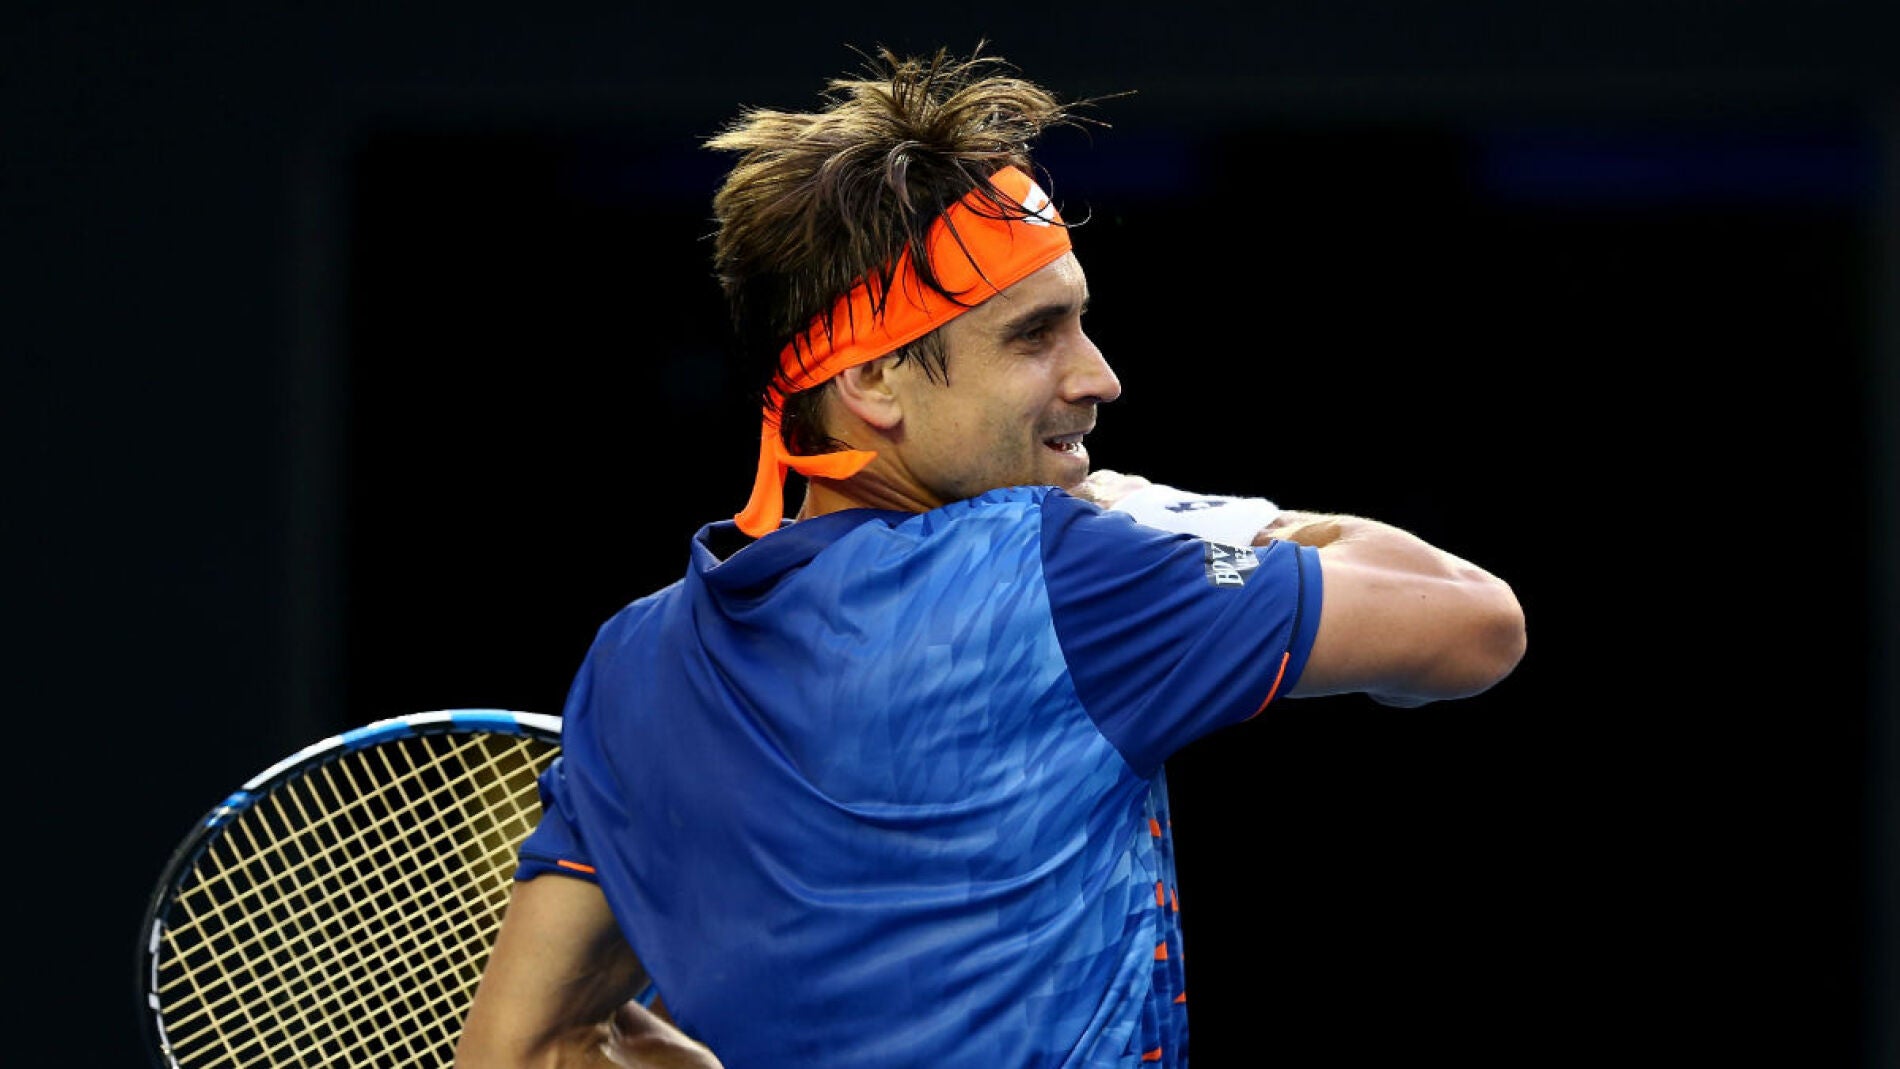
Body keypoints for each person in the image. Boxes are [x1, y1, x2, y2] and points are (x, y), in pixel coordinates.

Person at [454, 42, 1525, 1069]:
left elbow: (525, 1048)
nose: (1097, 375)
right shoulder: (1062, 570)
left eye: (1079, 323)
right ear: (872, 383)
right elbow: (1472, 621)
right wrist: (1171, 513)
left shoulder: (634, 662)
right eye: (1034, 335)